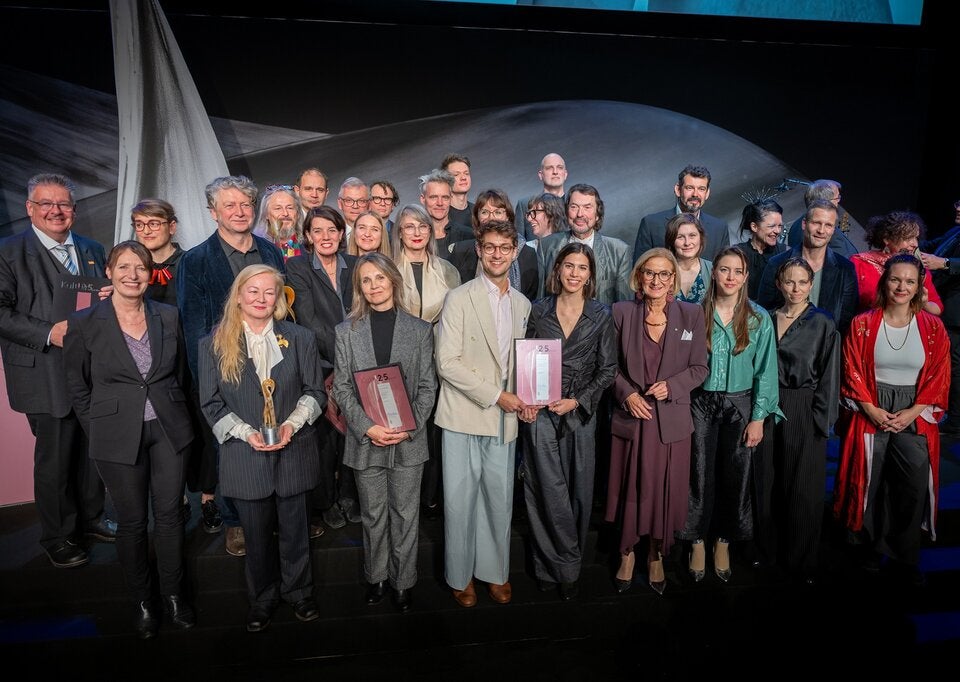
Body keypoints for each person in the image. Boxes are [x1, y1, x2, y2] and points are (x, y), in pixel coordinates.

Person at [63, 240, 196, 638]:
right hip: (116, 436)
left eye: (140, 267)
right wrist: (99, 427)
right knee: (133, 522)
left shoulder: (168, 315)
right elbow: (77, 385)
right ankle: (143, 601)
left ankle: (174, 595)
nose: (133, 275)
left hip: (169, 430)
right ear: (109, 271)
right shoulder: (86, 323)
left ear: (150, 273)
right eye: (124, 267)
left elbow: (182, 375)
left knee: (171, 517)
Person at [198, 264, 325, 632]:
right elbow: (211, 404)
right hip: (245, 456)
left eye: (269, 292)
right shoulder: (214, 343)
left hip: (294, 451)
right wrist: (245, 432)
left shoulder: (299, 338)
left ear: (279, 299)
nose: (261, 299)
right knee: (255, 539)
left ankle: (299, 592)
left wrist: (292, 424)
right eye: (252, 291)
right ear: (238, 295)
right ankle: (263, 598)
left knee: (296, 533)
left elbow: (316, 392)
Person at [0, 172, 116, 569]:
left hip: (88, 371)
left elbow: (97, 301)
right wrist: (49, 332)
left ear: (74, 210)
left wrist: (107, 298)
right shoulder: (7, 252)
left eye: (63, 204)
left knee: (90, 451)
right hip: (41, 370)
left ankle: (92, 518)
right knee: (55, 458)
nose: (55, 211)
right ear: (30, 209)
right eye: (46, 204)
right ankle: (58, 535)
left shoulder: (91, 248)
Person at [177, 175, 286, 554]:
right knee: (232, 447)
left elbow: (283, 311)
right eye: (230, 205)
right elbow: (192, 328)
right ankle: (234, 521)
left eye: (245, 204)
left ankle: (270, 515)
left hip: (271, 363)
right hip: (226, 368)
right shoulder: (195, 261)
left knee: (272, 440)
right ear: (213, 213)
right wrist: (208, 381)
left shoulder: (270, 253)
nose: (239, 212)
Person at [833, 254, 950, 586]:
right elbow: (851, 368)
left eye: (909, 281)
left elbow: (940, 375)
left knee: (911, 486)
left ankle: (903, 552)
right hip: (871, 406)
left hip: (914, 410)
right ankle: (869, 546)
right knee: (869, 481)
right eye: (896, 279)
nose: (901, 286)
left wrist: (913, 412)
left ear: (918, 287)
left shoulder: (932, 327)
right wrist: (870, 408)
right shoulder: (863, 323)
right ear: (885, 281)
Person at [332, 253, 438, 613]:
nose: (374, 285)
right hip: (366, 439)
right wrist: (369, 427)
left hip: (409, 441)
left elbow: (427, 387)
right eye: (366, 280)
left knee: (406, 515)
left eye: (380, 278)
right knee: (375, 514)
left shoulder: (420, 330)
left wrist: (409, 428)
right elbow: (343, 388)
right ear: (359, 287)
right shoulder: (345, 331)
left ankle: (403, 581)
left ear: (393, 280)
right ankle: (376, 576)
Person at [434, 219, 531, 607]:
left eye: (503, 248)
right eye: (489, 246)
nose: (496, 253)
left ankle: (494, 572)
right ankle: (460, 577)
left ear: (514, 252)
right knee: (460, 501)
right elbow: (447, 363)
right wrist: (497, 395)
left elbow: (523, 365)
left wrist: (526, 400)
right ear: (479, 249)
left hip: (504, 419)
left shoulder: (523, 305)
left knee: (498, 499)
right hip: (462, 414)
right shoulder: (458, 298)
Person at [605, 248, 708, 594]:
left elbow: (699, 368)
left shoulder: (691, 315)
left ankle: (656, 554)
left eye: (665, 274)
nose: (657, 280)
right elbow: (609, 367)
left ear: (673, 280)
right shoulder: (620, 312)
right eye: (650, 273)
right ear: (639, 276)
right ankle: (627, 551)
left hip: (670, 423)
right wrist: (627, 394)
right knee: (632, 488)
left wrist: (674, 386)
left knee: (663, 491)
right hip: (633, 417)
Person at [677, 246, 782, 583]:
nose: (731, 277)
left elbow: (766, 371)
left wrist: (758, 417)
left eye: (737, 271)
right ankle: (696, 540)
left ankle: (723, 540)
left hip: (739, 405)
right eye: (724, 270)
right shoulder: (693, 314)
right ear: (714, 273)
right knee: (698, 473)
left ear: (746, 276)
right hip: (700, 403)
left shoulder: (758, 317)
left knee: (735, 475)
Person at [520, 243, 616, 599]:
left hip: (580, 413)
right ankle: (548, 566)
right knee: (543, 490)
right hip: (541, 413)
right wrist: (528, 400)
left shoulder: (601, 314)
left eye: (582, 267)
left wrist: (577, 400)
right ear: (558, 269)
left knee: (578, 491)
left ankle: (569, 567)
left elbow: (608, 370)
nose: (575, 273)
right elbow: (525, 360)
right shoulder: (538, 310)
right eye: (569, 266)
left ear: (590, 274)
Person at [764, 257, 840, 583]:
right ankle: (768, 551)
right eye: (789, 282)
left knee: (803, 487)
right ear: (779, 283)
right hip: (767, 404)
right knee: (769, 481)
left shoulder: (823, 322)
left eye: (802, 282)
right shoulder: (766, 317)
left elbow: (829, 375)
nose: (795, 289)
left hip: (804, 404)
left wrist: (821, 421)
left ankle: (802, 559)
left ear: (811, 285)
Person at [285, 206, 361, 531]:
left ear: (342, 233)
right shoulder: (297, 267)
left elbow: (364, 312)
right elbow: (308, 320)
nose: (325, 237)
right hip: (322, 365)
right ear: (308, 236)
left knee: (353, 435)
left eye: (332, 230)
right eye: (318, 231)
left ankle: (349, 498)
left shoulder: (356, 265)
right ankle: (326, 502)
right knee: (325, 439)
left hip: (358, 363)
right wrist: (343, 358)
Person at [390, 203, 460, 517]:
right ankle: (403, 495)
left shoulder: (448, 269)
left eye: (422, 227)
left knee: (433, 428)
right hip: (398, 356)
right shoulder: (388, 268)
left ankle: (430, 496)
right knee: (402, 425)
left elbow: (457, 319)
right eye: (409, 227)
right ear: (399, 232)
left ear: (430, 231)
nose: (416, 233)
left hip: (438, 354)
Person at [757, 199, 859, 333]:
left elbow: (846, 321)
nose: (821, 230)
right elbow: (763, 313)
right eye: (817, 223)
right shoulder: (776, 264)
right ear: (804, 224)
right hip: (781, 348)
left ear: (834, 229)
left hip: (825, 349)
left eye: (828, 225)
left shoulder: (845, 269)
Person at [538, 183, 634, 305]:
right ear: (567, 211)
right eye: (574, 207)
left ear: (598, 214)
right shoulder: (546, 246)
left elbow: (624, 307)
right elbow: (540, 299)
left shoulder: (619, 251)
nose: (580, 214)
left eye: (587, 207)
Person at [448, 189, 540, 301]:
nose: (491, 218)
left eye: (498, 212)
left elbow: (530, 296)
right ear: (477, 217)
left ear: (508, 217)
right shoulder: (460, 251)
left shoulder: (527, 253)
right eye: (484, 212)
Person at [851, 210, 942, 315]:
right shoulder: (859, 263)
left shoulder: (919, 270)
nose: (915, 244)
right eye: (907, 238)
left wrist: (924, 303)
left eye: (916, 238)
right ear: (887, 239)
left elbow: (937, 308)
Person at [633, 164, 730, 263]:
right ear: (678, 190)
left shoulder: (719, 228)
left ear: (707, 193)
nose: (695, 194)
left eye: (701, 189)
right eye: (689, 188)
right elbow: (639, 269)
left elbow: (724, 269)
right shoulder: (651, 224)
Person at [784, 179, 859, 258]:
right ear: (826, 202)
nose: (838, 202)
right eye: (837, 198)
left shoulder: (796, 225)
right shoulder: (824, 231)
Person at [131, 198, 184, 307]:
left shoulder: (190, 264)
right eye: (139, 225)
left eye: (154, 224)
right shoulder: (130, 269)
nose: (146, 231)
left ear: (171, 227)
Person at [734, 199, 787, 300]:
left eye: (779, 226)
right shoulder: (737, 254)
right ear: (754, 227)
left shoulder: (785, 253)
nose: (777, 231)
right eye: (771, 226)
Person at [418, 169, 473, 259]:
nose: (440, 203)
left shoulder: (468, 235)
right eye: (433, 197)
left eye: (445, 197)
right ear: (423, 199)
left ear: (450, 199)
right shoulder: (413, 238)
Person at [514, 152, 568, 241]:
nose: (555, 172)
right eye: (549, 168)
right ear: (540, 175)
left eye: (560, 168)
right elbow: (518, 242)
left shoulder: (574, 206)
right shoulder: (524, 205)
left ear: (565, 174)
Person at [665, 212, 713, 304]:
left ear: (701, 238)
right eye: (680, 237)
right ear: (671, 241)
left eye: (692, 236)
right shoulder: (662, 271)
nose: (687, 243)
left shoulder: (713, 270)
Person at [253, 184, 303, 261]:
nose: (285, 213)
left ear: (298, 213)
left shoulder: (311, 243)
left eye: (290, 208)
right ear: (266, 214)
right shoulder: (258, 248)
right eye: (278, 208)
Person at [441, 153, 474, 226]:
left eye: (466, 173)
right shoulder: (440, 216)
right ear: (445, 180)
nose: (463, 178)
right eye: (456, 175)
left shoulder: (478, 211)